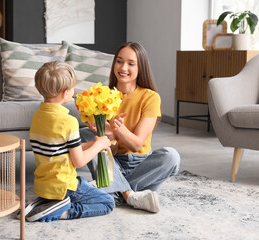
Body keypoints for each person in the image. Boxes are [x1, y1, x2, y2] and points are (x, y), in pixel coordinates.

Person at [87, 42, 181, 213]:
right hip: (114, 163)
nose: (123, 67)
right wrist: (108, 136)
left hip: (143, 165)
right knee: (88, 137)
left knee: (171, 156)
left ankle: (114, 192)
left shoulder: (150, 97)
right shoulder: (103, 96)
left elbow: (136, 144)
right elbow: (111, 152)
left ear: (140, 68)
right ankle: (130, 195)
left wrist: (117, 128)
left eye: (131, 63)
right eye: (119, 61)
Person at [26, 61, 115, 222]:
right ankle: (63, 211)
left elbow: (61, 149)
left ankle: (47, 201)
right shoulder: (68, 122)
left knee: (85, 184)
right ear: (66, 93)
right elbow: (79, 161)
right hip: (64, 186)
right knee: (107, 202)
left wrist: (94, 144)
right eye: (73, 88)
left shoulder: (37, 117)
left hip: (43, 185)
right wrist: (99, 145)